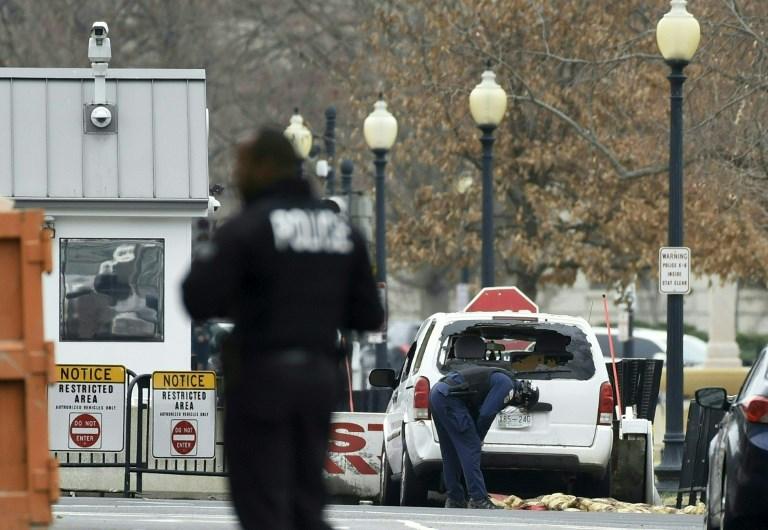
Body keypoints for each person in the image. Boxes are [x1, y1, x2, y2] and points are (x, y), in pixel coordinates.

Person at [181, 129, 384, 530]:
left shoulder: (249, 228)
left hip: (259, 380)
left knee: (260, 502)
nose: (238, 174)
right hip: (317, 380)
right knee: (306, 499)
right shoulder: (342, 232)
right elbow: (369, 315)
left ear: (264, 168)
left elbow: (197, 298)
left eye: (243, 165)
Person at [429, 335, 539, 509]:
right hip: (450, 399)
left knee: (450, 451)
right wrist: (478, 437)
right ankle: (478, 498)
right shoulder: (507, 385)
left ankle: (455, 498)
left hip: (438, 394)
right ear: (522, 396)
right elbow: (487, 413)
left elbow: (476, 405)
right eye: (521, 404)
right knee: (470, 448)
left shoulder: (497, 377)